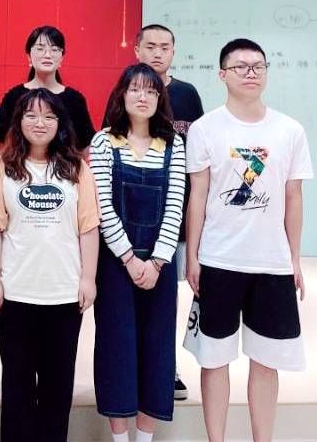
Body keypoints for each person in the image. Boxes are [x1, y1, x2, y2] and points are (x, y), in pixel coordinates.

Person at [184, 39, 313, 442]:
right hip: (219, 259)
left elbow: (294, 197)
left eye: (258, 66)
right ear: (222, 74)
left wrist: (294, 259)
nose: (251, 73)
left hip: (271, 263)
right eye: (241, 66)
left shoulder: (289, 130)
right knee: (214, 358)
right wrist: (193, 256)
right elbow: (198, 196)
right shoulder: (205, 128)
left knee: (266, 360)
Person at [0, 88, 100, 442]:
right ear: (18, 121)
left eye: (49, 116)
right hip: (16, 295)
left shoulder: (78, 170)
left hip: (63, 295)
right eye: (31, 115)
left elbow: (88, 228)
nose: (40, 123)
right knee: (16, 388)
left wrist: (88, 278)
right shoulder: (1, 169)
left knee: (56, 391)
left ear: (60, 124)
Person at [106, 23, 204, 400]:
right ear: (137, 50)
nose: (157, 53)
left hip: (173, 215)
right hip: (126, 220)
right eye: (150, 46)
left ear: (174, 52)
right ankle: (129, 373)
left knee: (166, 299)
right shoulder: (123, 91)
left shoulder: (187, 94)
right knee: (125, 303)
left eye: (165, 47)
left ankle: (167, 368)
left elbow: (198, 156)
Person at [90, 63, 186, 442]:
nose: (142, 97)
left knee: (157, 348)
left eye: (150, 90)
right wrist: (129, 259)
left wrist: (157, 261)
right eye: (135, 89)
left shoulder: (174, 144)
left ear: (159, 98)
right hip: (116, 264)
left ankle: (145, 438)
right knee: (116, 346)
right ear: (122, 95)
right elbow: (102, 207)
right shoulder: (103, 142)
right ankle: (119, 437)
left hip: (160, 265)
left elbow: (175, 205)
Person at [0, 25, 95, 154]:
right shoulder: (14, 97)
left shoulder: (75, 100)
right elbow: (1, 148)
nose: (47, 55)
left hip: (63, 166)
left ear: (61, 57)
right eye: (40, 49)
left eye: (54, 49)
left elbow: (83, 148)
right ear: (29, 56)